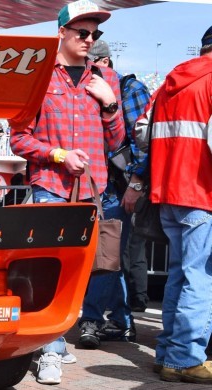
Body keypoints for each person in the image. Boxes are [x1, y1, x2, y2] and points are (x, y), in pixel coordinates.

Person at [9, 0, 125, 385]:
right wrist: (57, 154)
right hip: (51, 187)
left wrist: (109, 104)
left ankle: (54, 338)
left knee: (79, 270)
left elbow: (118, 140)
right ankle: (51, 349)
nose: (90, 40)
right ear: (62, 32)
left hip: (91, 192)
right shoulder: (40, 77)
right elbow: (18, 139)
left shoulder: (105, 79)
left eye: (95, 34)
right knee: (49, 268)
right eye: (82, 32)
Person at [146, 27, 212, 383]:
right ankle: (186, 358)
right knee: (200, 278)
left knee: (179, 275)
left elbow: (143, 135)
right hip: (201, 194)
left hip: (167, 193)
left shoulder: (169, 83)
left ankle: (168, 354)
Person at [80, 39, 151, 346]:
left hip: (119, 186)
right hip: (103, 184)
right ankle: (121, 322)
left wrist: (135, 183)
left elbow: (142, 144)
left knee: (106, 254)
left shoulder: (129, 90)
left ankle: (92, 319)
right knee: (112, 257)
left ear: (104, 64)